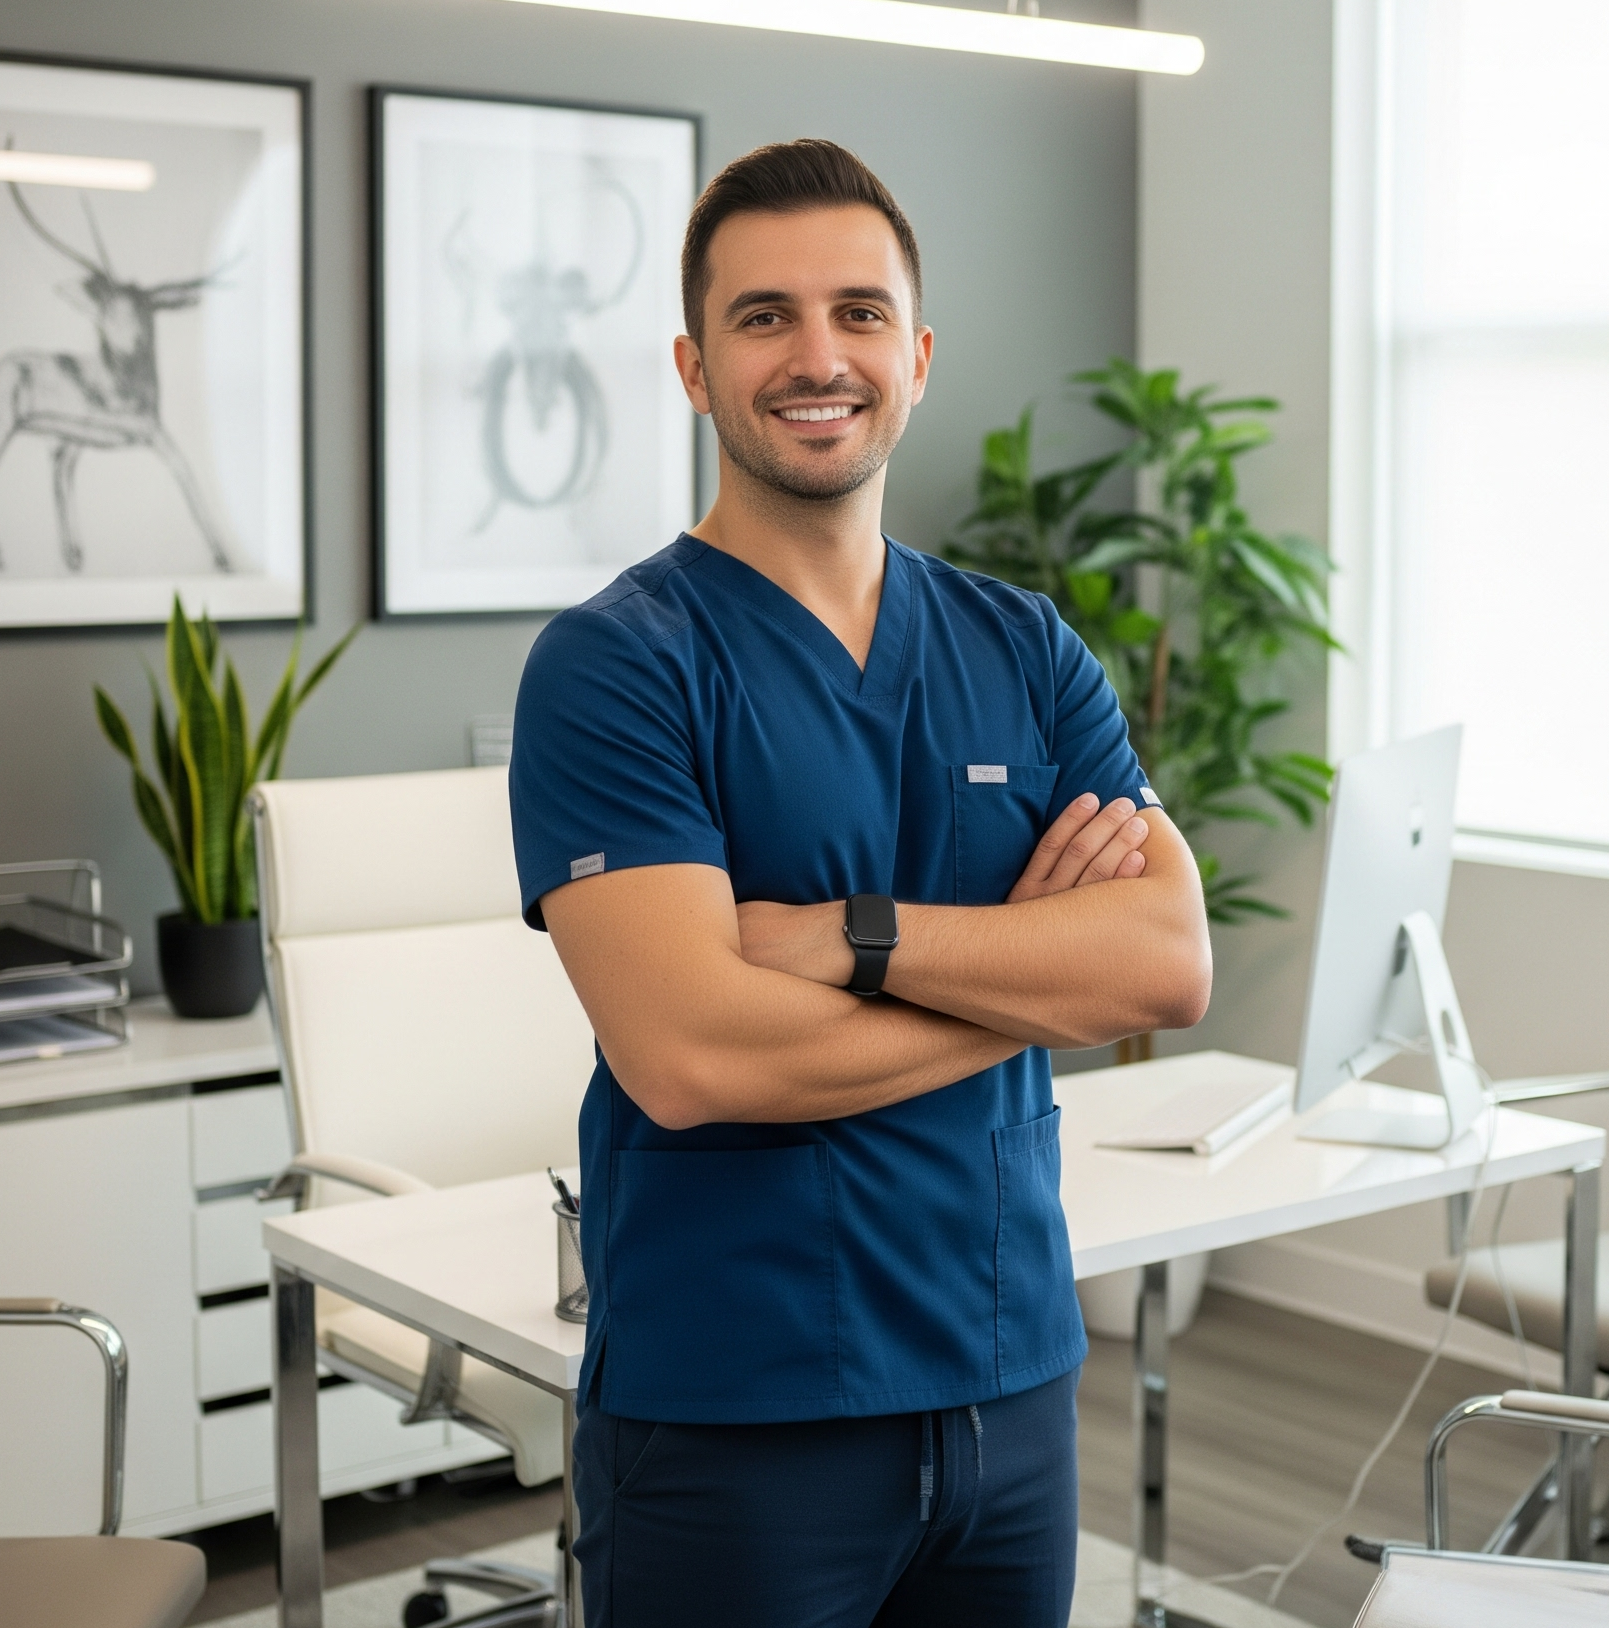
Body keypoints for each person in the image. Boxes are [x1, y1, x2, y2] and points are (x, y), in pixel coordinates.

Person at [509, 139, 1212, 1628]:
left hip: (1011, 1389)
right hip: (738, 1414)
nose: (817, 356)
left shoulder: (1024, 648)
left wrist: (851, 940)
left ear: (919, 354)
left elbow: (1163, 964)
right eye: (765, 317)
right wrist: (1030, 972)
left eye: (859, 313)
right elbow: (694, 1056)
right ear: (696, 367)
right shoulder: (619, 667)